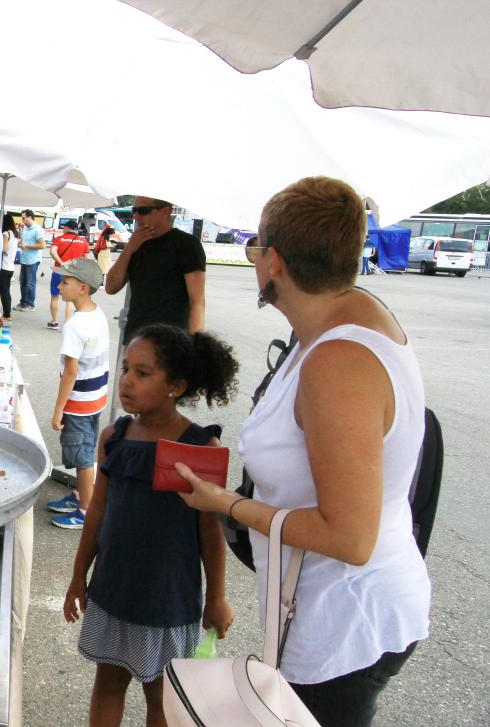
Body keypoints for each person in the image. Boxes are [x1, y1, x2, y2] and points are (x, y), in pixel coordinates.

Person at [175, 176, 431, 727]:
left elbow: (348, 538)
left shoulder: (338, 361)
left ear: (276, 264)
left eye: (256, 248)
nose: (252, 260)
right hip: (338, 606)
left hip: (344, 620)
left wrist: (226, 504)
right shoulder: (342, 316)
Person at [64, 323, 238, 727]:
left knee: (162, 700)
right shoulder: (115, 437)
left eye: (143, 374)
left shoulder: (198, 447)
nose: (126, 381)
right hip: (113, 591)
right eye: (125, 369)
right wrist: (78, 575)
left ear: (175, 386)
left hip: (168, 601)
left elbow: (210, 533)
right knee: (107, 685)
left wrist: (217, 596)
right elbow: (98, 514)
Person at [47, 258, 109, 530]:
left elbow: (70, 372)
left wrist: (59, 409)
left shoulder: (74, 325)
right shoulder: (97, 313)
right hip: (96, 397)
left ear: (83, 288)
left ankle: (86, 511)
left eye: (66, 282)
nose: (60, 286)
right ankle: (81, 495)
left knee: (82, 458)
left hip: (79, 402)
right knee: (86, 447)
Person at [105, 197, 206, 340]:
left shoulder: (186, 244)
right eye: (134, 210)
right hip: (136, 338)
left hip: (171, 342)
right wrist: (129, 249)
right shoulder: (137, 244)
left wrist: (196, 346)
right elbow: (111, 287)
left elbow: (198, 301)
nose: (136, 216)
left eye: (143, 210)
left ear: (165, 212)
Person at [47, 219, 90, 330]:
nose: (63, 229)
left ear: (67, 228)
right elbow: (86, 259)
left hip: (59, 270)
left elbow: (52, 251)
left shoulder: (58, 239)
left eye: (63, 228)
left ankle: (54, 322)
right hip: (74, 273)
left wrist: (61, 263)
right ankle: (67, 324)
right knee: (70, 299)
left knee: (54, 296)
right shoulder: (83, 241)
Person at [16, 209, 47, 311]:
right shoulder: (25, 228)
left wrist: (27, 246)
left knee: (30, 283)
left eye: (24, 218)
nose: (23, 220)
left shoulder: (37, 229)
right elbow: (23, 241)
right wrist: (19, 243)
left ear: (30, 217)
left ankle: (30, 304)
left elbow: (42, 245)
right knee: (23, 282)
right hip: (24, 259)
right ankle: (23, 302)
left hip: (33, 260)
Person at [0, 213, 19, 320]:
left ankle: (7, 314)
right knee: (6, 290)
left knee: (3, 291)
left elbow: (4, 248)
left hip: (4, 266)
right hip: (11, 266)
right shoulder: (15, 235)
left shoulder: (6, 234)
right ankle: (7, 312)